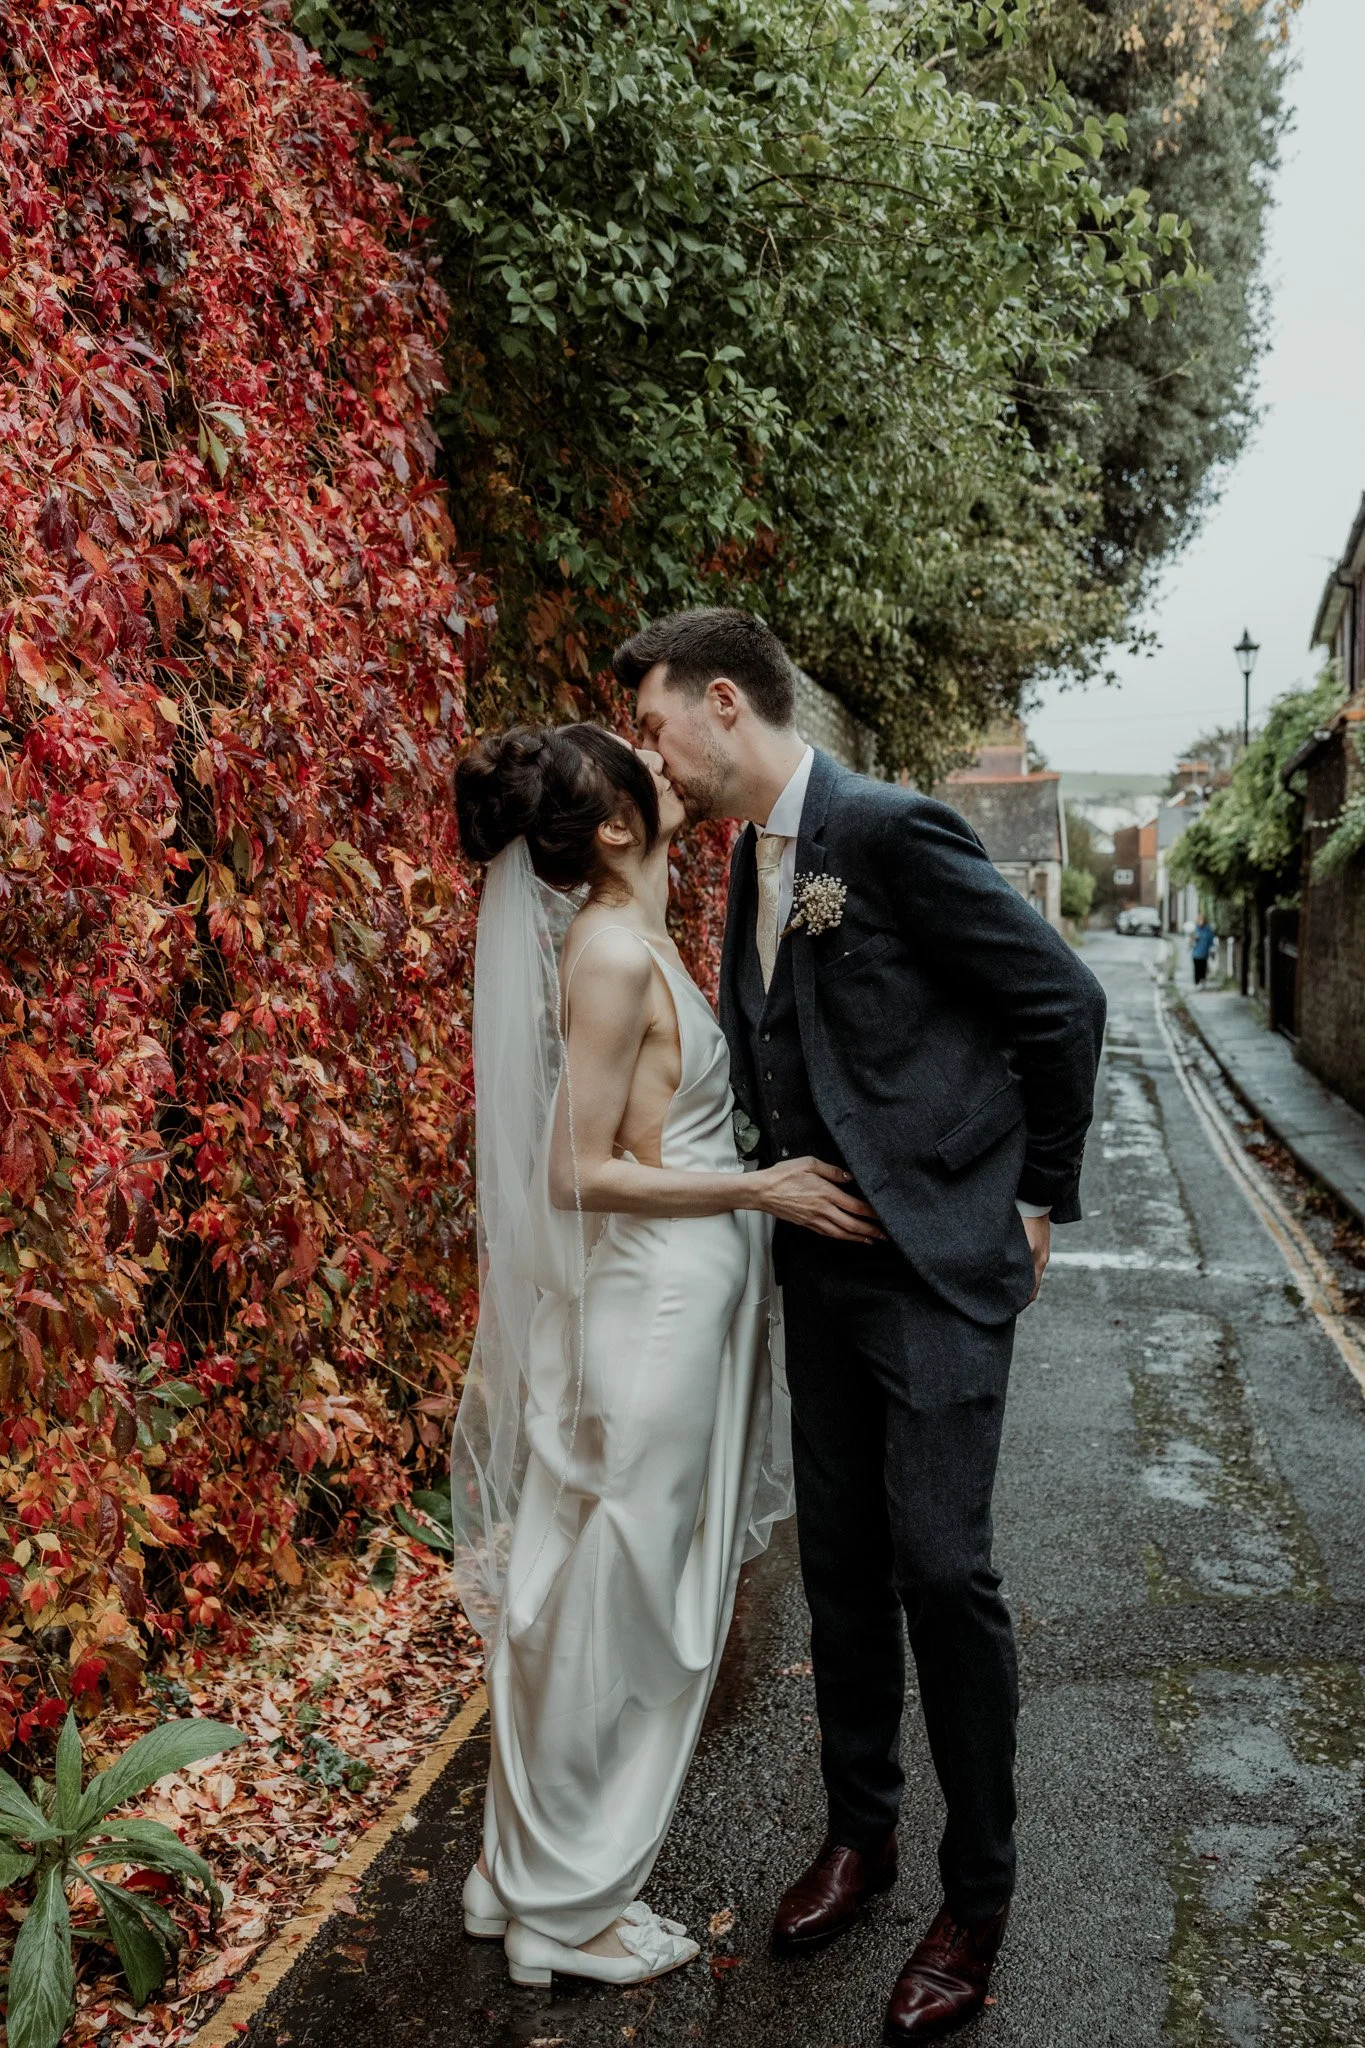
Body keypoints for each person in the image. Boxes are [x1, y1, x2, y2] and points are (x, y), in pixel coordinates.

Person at [617, 609, 1106, 2043]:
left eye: (655, 725)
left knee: (943, 1571)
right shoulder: (745, 864)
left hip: (941, 1267)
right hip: (816, 1276)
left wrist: (1035, 1198)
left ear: (723, 704)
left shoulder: (891, 834)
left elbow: (1059, 1004)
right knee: (837, 1564)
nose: (652, 756)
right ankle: (860, 1834)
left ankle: (977, 1898)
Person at [449, 724, 880, 1991]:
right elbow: (575, 1172)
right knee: (621, 1601)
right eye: (637, 758)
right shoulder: (614, 952)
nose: (661, 756)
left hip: (668, 1307)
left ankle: (514, 1871)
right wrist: (768, 1186)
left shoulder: (623, 939)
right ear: (624, 826)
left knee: (585, 1581)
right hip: (650, 1320)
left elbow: (637, 1127)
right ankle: (566, 1910)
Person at [1190, 912, 1216, 987]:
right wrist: (1194, 939)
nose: (1201, 921)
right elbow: (1190, 943)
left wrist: (1212, 951)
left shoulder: (1208, 930)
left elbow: (1211, 942)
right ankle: (1197, 983)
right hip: (1196, 954)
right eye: (1199, 920)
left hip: (1204, 954)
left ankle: (1202, 982)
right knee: (1197, 969)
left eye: (1202, 920)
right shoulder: (1195, 929)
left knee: (1203, 969)